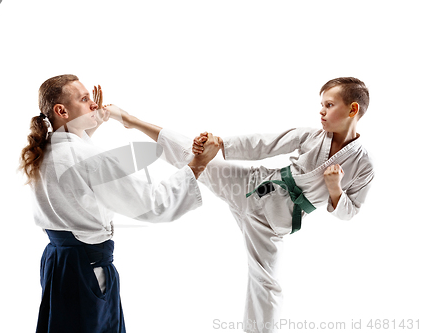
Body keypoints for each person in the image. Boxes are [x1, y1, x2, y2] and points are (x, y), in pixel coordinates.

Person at [102, 77, 374, 333]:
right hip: (250, 185)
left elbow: (350, 212)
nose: (321, 112)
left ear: (352, 109)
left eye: (329, 105)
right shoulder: (312, 136)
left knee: (267, 284)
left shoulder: (363, 164)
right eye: (321, 105)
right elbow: (264, 144)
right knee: (191, 154)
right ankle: (132, 120)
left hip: (271, 224)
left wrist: (335, 188)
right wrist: (219, 143)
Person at [18, 74, 220, 333]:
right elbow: (153, 204)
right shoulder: (88, 157)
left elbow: (74, 150)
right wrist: (198, 164)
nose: (94, 104)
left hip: (57, 263)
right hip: (86, 271)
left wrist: (91, 122)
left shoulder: (43, 149)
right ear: (61, 110)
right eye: (84, 99)